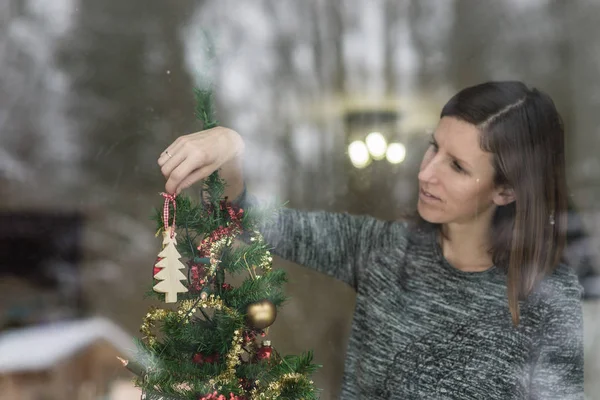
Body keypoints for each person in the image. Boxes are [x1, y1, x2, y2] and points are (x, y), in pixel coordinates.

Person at [157, 81, 584, 399]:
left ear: (506, 190)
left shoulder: (546, 295)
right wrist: (229, 148)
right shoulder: (382, 250)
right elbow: (254, 217)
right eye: (431, 148)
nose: (426, 173)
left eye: (456, 166)